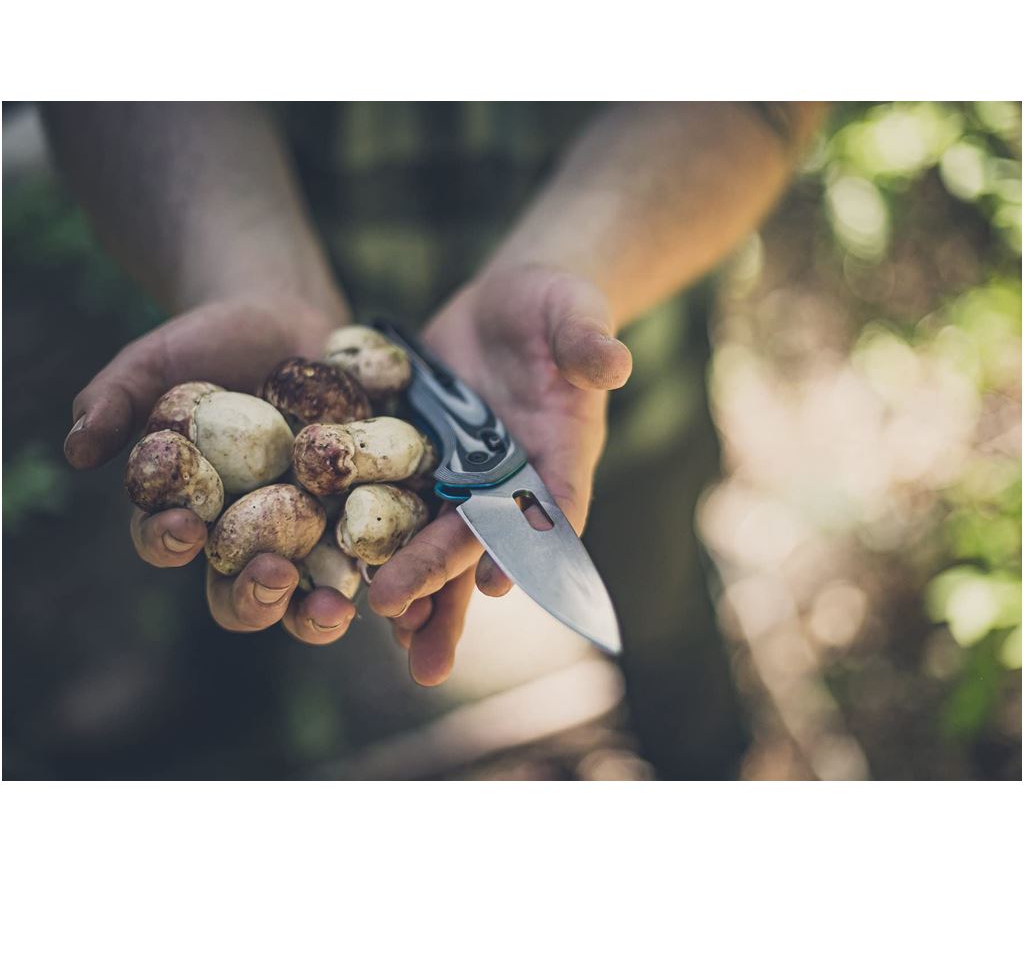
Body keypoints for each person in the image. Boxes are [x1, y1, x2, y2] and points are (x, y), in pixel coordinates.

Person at [43, 101, 824, 778]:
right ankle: (218, 714)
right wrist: (241, 270)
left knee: (658, 607)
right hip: (274, 336)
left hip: (597, 377)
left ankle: (705, 764)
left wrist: (575, 257)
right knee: (254, 581)